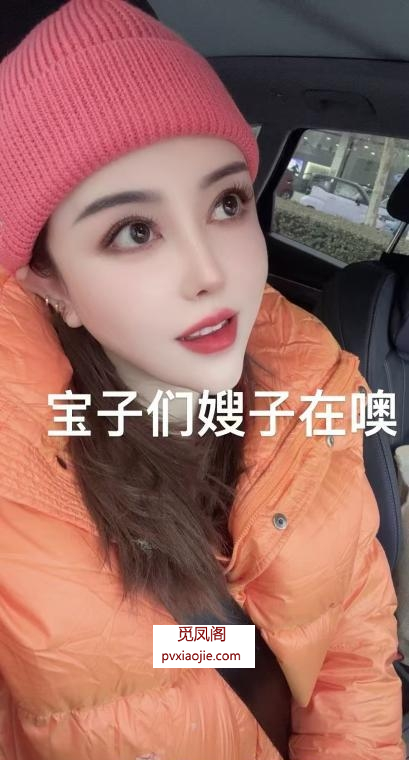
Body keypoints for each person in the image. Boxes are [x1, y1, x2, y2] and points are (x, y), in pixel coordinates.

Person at [0, 1, 404, 758]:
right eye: (134, 231)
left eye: (226, 203)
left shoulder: (314, 395)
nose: (209, 272)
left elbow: (352, 651)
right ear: (51, 285)